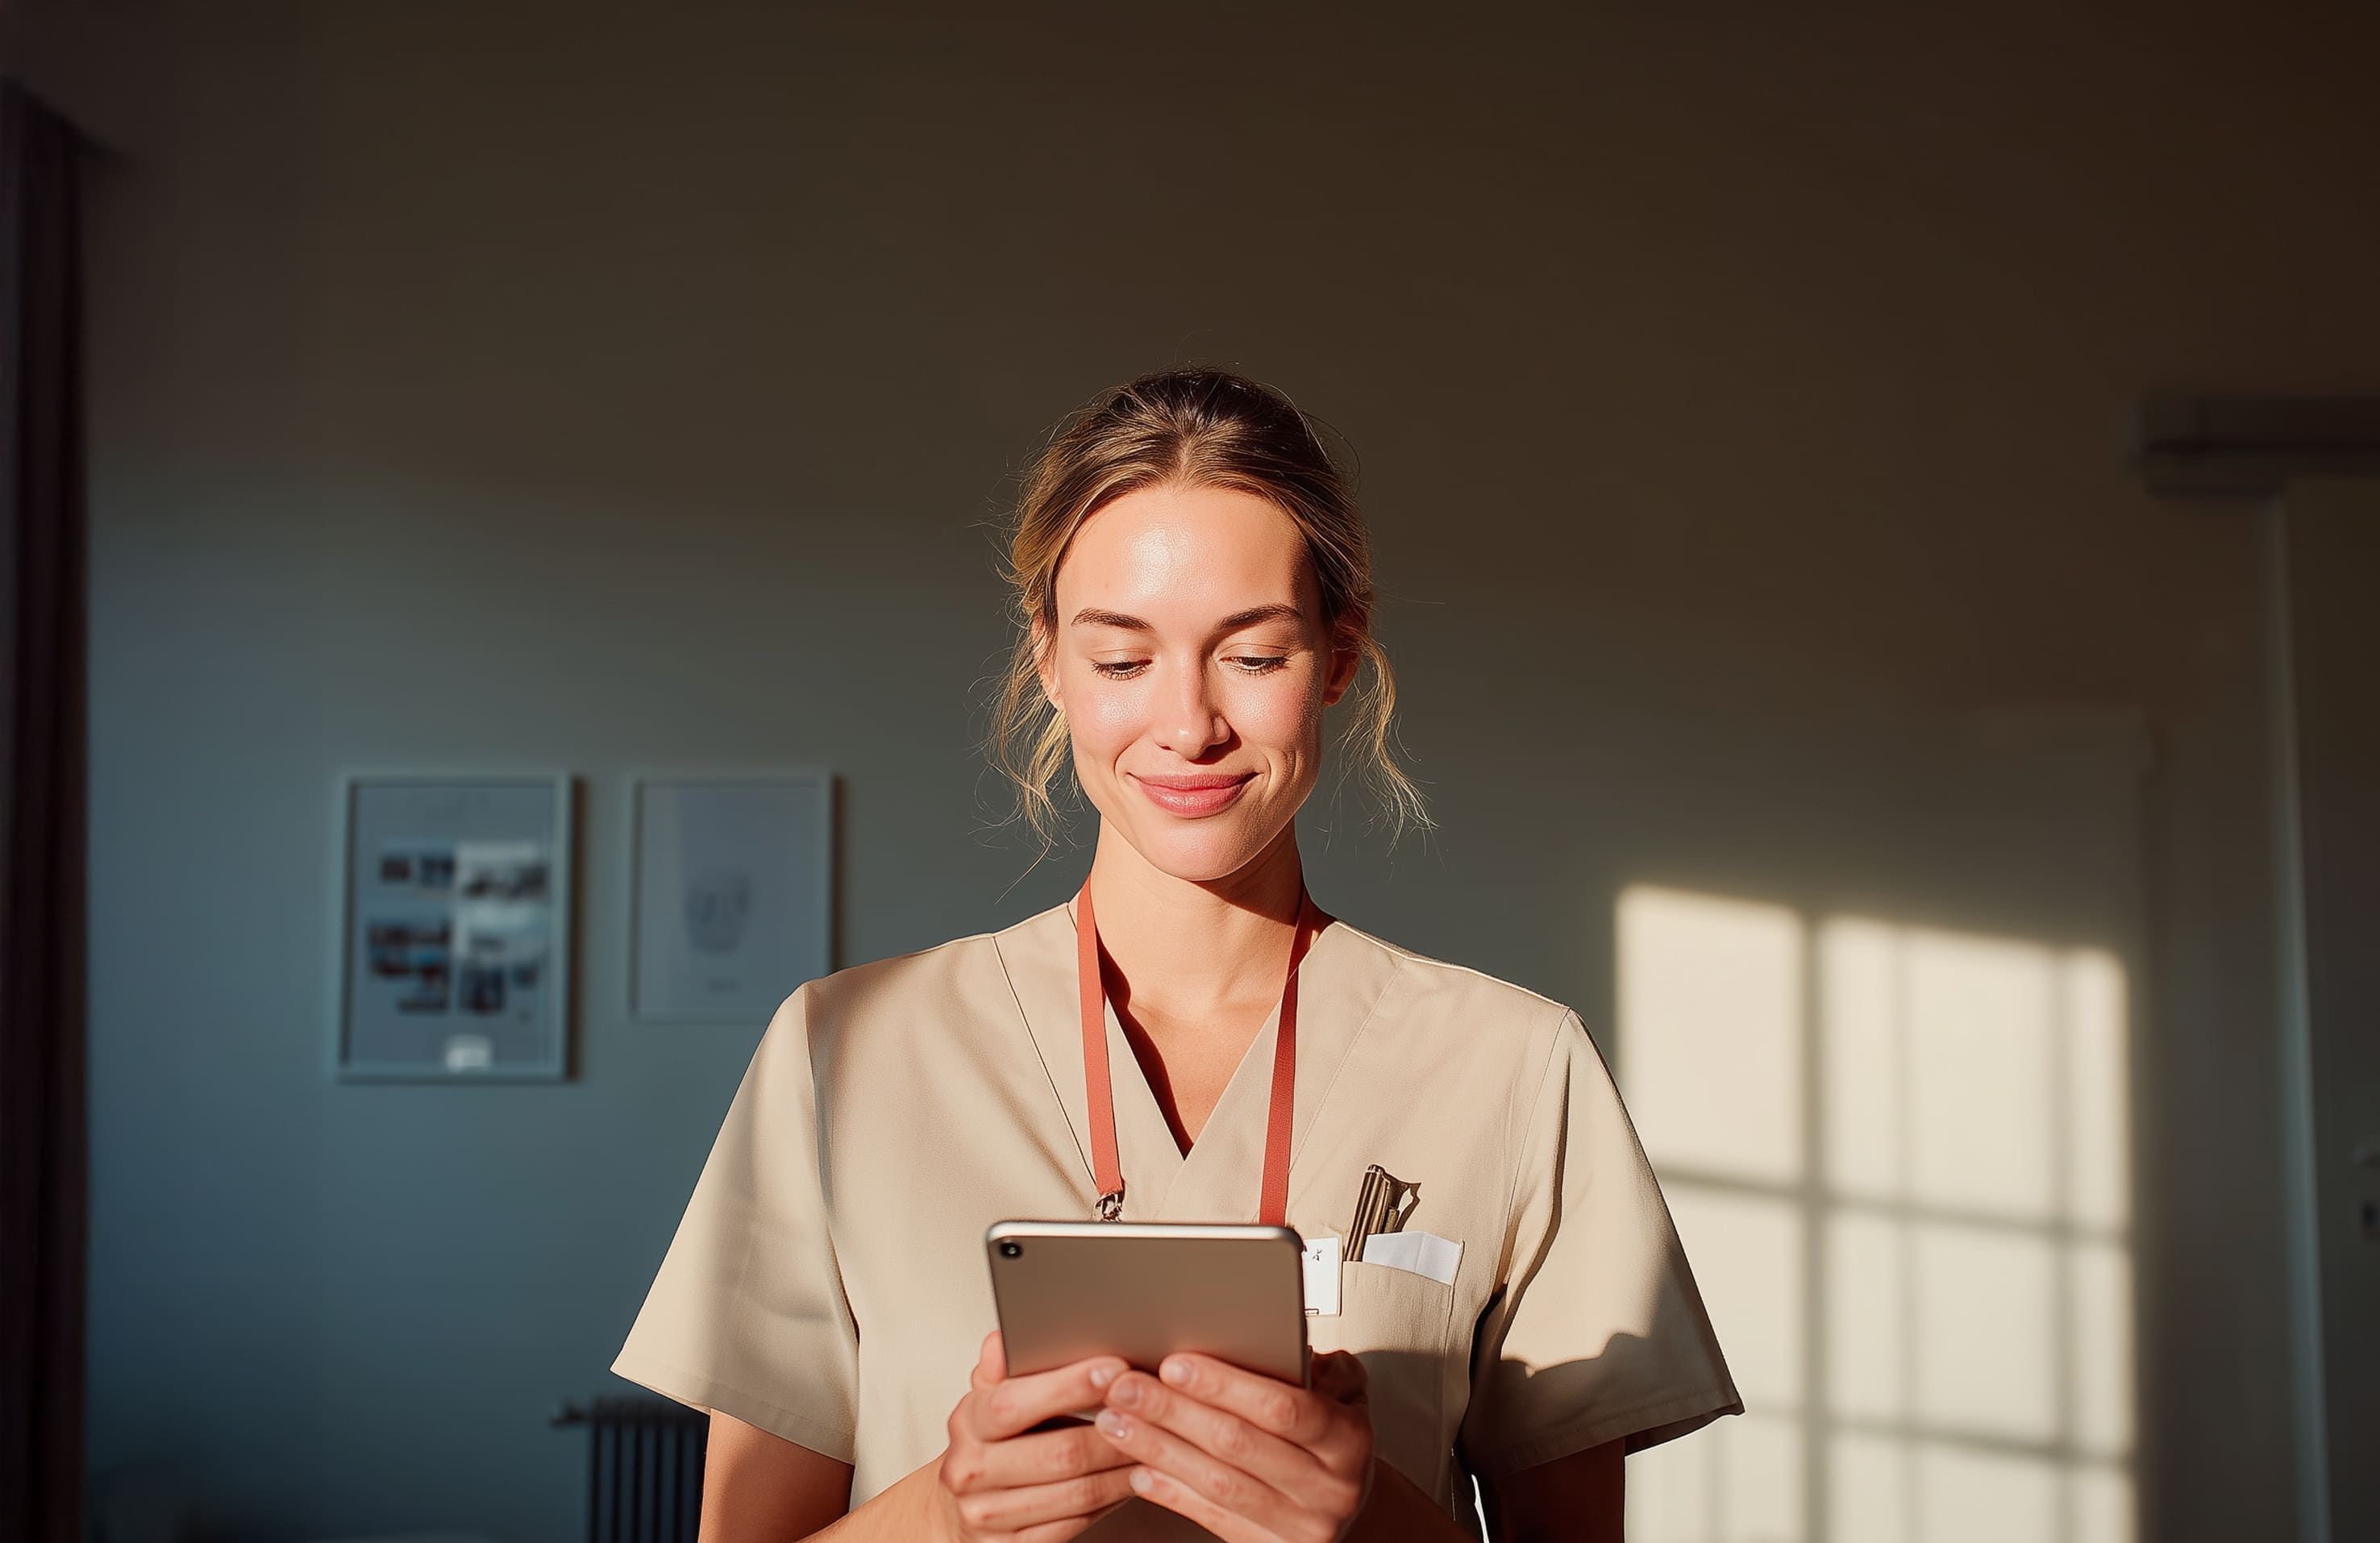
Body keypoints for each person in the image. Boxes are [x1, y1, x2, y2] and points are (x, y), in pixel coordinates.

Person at [613, 368, 1741, 1541]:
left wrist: (1365, 1520)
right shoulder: (841, 1051)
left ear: (1338, 660)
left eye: (1252, 656)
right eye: (1121, 660)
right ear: (1049, 660)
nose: (1189, 723)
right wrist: (948, 1508)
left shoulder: (1516, 1068)